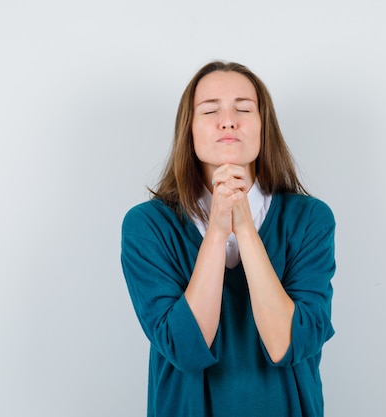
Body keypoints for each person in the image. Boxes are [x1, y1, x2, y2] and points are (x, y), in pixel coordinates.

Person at [120, 61, 336, 417]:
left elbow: (287, 343)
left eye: (243, 108)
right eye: (210, 110)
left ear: (264, 127)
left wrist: (245, 229)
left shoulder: (310, 220)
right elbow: (186, 347)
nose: (228, 120)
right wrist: (218, 230)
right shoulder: (148, 226)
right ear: (188, 130)